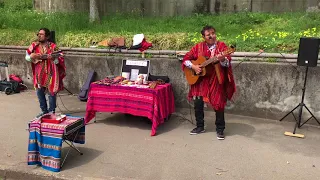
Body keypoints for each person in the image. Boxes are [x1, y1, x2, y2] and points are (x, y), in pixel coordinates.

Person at [181, 25, 236, 140]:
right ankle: (200, 126)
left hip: (216, 78)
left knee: (219, 103)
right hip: (200, 80)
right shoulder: (198, 47)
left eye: (213, 33)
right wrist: (194, 67)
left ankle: (220, 129)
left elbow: (227, 64)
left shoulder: (222, 46)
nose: (212, 36)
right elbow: (186, 59)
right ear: (203, 37)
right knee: (198, 103)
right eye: (208, 35)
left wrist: (222, 60)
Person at [25, 28, 66, 117]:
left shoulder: (53, 47)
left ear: (47, 36)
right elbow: (27, 57)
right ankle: (44, 111)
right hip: (39, 73)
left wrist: (54, 59)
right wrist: (32, 56)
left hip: (51, 73)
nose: (39, 35)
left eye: (41, 34)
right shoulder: (34, 46)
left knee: (52, 92)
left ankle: (51, 112)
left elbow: (60, 59)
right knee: (39, 92)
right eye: (38, 34)